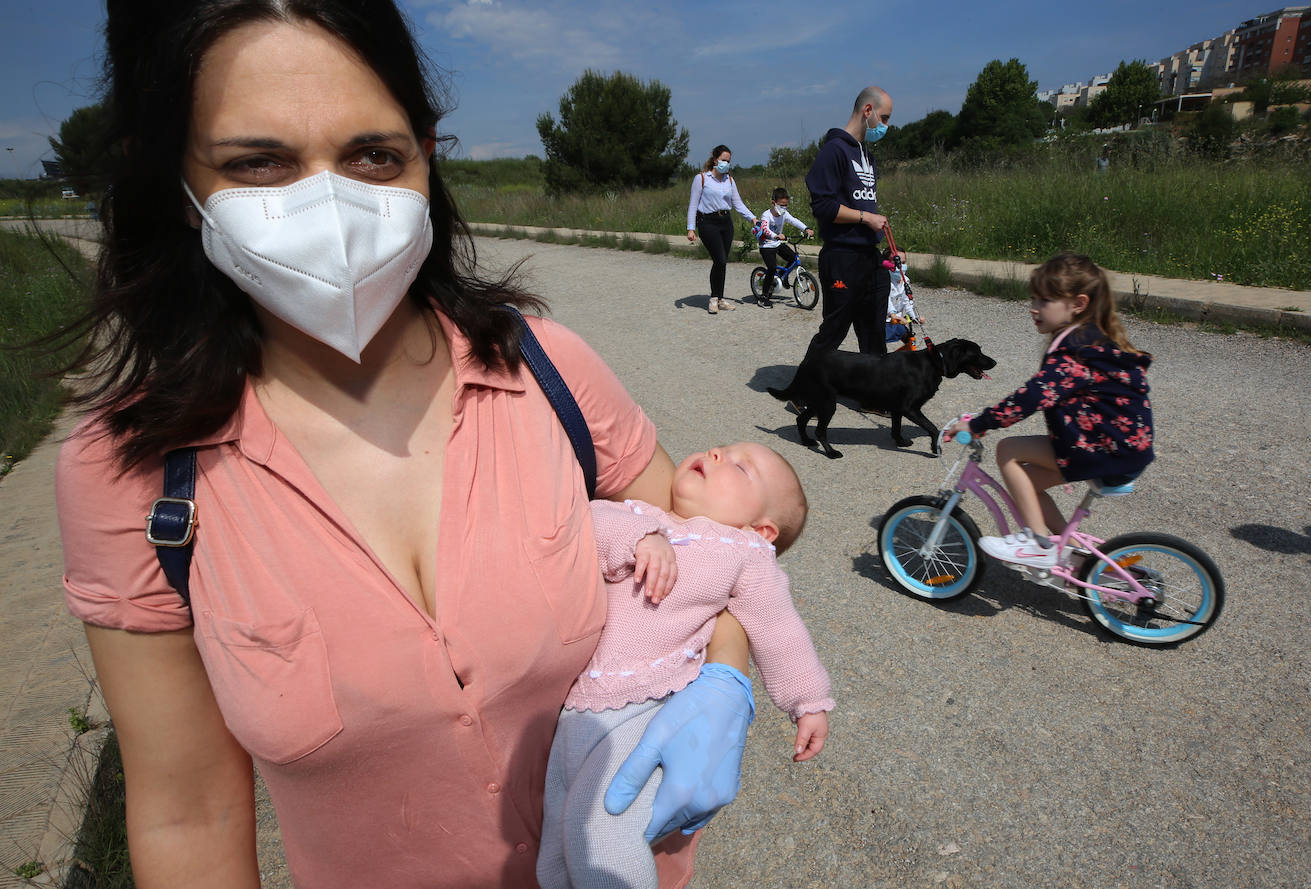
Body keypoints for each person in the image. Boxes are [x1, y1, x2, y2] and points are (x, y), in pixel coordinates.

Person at [54, 3, 754, 887]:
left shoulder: (550, 372)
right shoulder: (133, 472)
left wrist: (727, 678)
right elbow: (187, 811)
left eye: (372, 156)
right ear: (179, 187)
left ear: (427, 155)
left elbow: (715, 554)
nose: (330, 204)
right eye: (258, 163)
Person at [538, 442, 833, 889]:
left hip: (646, 703)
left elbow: (778, 628)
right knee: (554, 846)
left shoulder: (744, 554)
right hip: (572, 710)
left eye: (741, 467)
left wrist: (807, 700)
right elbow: (587, 522)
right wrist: (639, 539)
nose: (717, 454)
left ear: (763, 531)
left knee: (603, 831)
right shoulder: (643, 515)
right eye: (724, 449)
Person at [946, 253, 1155, 568]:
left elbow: (1032, 397)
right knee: (1027, 481)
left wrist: (978, 424)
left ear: (1078, 304)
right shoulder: (1093, 338)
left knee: (1008, 450)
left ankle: (1035, 542)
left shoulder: (1075, 350)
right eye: (1034, 298)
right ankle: (1076, 559)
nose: (1034, 307)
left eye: (1045, 300)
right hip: (1122, 447)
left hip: (1106, 450)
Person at [796, 86, 893, 364]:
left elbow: (862, 202)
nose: (886, 125)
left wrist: (878, 231)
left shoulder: (867, 156)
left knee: (873, 327)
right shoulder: (833, 151)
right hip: (841, 256)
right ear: (868, 111)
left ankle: (873, 393)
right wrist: (865, 218)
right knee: (835, 328)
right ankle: (805, 390)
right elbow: (823, 206)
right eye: (884, 118)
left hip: (869, 255)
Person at [685, 144, 758, 314]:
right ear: (715, 159)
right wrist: (690, 228)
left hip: (726, 222)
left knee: (722, 261)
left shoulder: (729, 180)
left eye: (729, 161)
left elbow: (738, 204)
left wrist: (753, 218)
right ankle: (713, 299)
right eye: (723, 160)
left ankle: (720, 298)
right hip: (708, 223)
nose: (726, 163)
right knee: (720, 259)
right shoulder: (702, 178)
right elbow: (693, 205)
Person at [754, 187, 813, 308]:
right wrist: (776, 235)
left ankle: (783, 275)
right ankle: (763, 297)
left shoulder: (784, 214)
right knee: (771, 268)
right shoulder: (766, 215)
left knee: (793, 258)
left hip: (778, 243)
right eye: (781, 205)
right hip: (766, 245)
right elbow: (765, 229)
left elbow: (794, 221)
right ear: (773, 203)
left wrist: (806, 229)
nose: (784, 208)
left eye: (785, 205)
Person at [883, 253, 925, 348]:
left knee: (910, 340)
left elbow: (907, 301)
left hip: (898, 321)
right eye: (896, 262)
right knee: (878, 349)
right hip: (883, 321)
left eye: (903, 262)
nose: (900, 266)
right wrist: (892, 314)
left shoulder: (906, 281)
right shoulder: (883, 280)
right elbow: (886, 300)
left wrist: (914, 316)